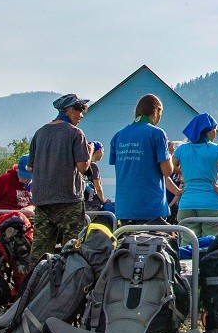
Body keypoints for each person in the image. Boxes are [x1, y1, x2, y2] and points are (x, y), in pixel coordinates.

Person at [27, 93, 92, 260]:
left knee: (39, 252)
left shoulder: (40, 133)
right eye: (79, 110)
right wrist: (90, 152)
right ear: (69, 110)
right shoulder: (75, 133)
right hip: (68, 201)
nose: (81, 115)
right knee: (72, 252)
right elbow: (83, 167)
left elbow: (30, 167)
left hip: (43, 201)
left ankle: (34, 284)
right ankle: (67, 285)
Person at [108, 95, 180, 226]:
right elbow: (167, 171)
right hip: (150, 207)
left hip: (124, 207)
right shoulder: (157, 134)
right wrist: (169, 153)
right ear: (156, 111)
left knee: (127, 244)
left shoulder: (118, 136)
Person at [173, 113, 218, 240]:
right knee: (211, 246)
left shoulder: (181, 150)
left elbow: (168, 169)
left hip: (187, 204)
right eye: (215, 130)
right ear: (209, 132)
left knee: (188, 246)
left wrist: (185, 173)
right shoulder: (217, 149)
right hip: (212, 204)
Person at [83, 142, 106, 210]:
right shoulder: (93, 166)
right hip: (93, 203)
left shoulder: (83, 165)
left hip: (84, 200)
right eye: (103, 151)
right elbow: (98, 187)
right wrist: (103, 201)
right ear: (99, 150)